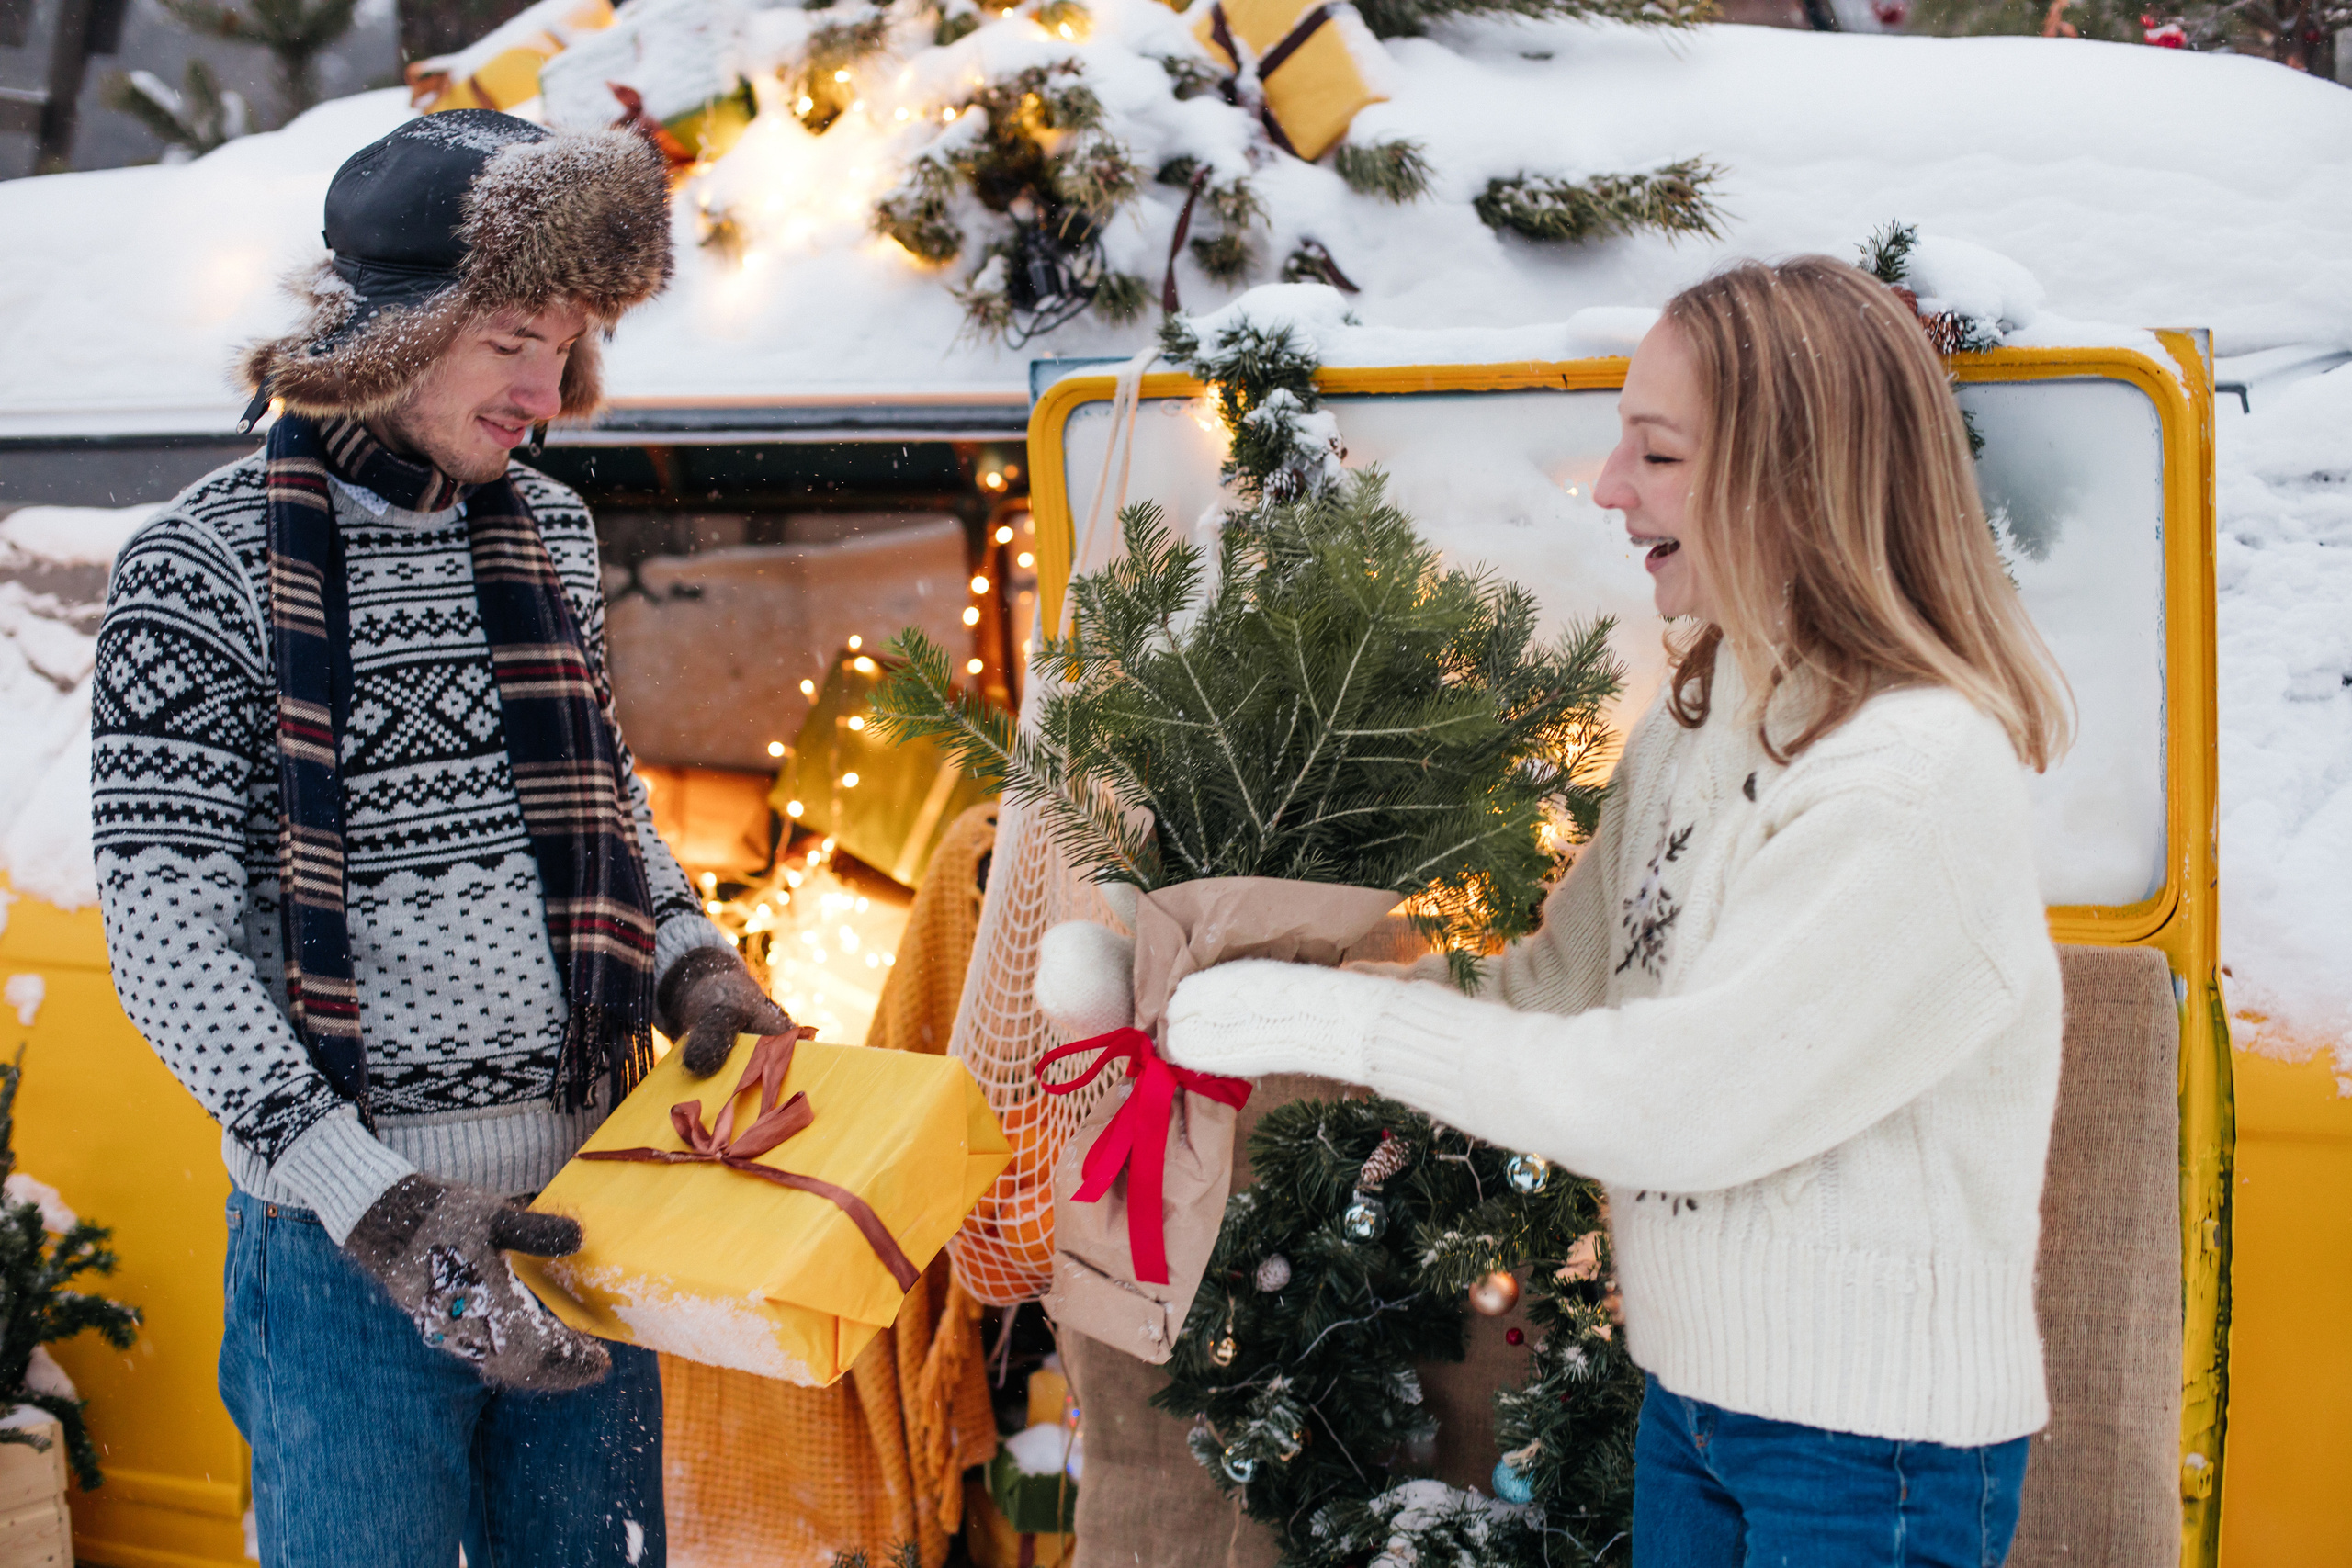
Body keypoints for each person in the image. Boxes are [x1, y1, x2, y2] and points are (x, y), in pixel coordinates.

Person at [1059, 257, 2073, 1566]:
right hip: (1699, 1405)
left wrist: (1320, 1021)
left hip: (1871, 1454)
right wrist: (1246, 1000)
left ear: (1788, 480)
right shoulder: (1710, 720)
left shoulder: (1911, 783)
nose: (1608, 487)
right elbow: (1551, 994)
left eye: (1658, 452)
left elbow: (1673, 1103)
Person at [91, 110, 788, 1568]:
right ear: (393, 332)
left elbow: (605, 810)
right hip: (347, 1253)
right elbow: (165, 939)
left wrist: (693, 965)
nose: (548, 391)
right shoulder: (195, 568)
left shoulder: (550, 533)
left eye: (572, 342)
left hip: (587, 1217)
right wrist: (383, 1206)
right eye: (511, 340)